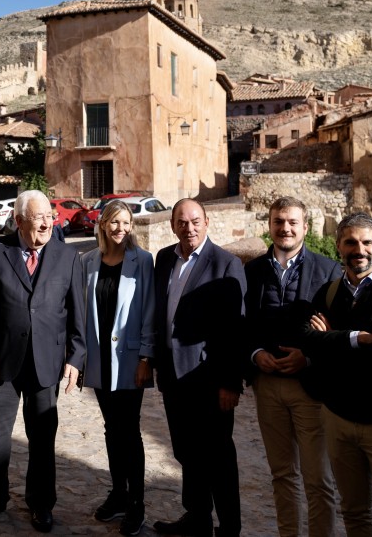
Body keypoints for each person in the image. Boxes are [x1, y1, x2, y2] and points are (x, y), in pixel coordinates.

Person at [0, 190, 86, 533]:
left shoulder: (68, 256)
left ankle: (41, 503)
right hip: (0, 362)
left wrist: (76, 358)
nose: (48, 222)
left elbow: (78, 313)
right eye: (39, 218)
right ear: (18, 221)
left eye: (50, 216)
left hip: (47, 362)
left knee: (43, 438)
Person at [302, 213, 372, 537]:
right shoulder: (328, 293)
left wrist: (332, 340)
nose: (359, 249)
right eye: (351, 242)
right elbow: (308, 342)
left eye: (367, 242)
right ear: (339, 245)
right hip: (339, 421)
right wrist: (358, 338)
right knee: (354, 514)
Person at [243, 197, 341, 537]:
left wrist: (310, 356)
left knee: (318, 478)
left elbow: (338, 331)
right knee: (281, 473)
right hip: (267, 386)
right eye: (279, 221)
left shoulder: (329, 270)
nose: (285, 228)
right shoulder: (252, 271)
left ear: (305, 227)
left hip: (310, 386)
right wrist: (255, 354)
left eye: (292, 222)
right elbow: (244, 324)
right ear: (270, 225)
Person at [153, 198, 246, 537]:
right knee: (186, 452)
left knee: (218, 458)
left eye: (194, 221)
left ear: (207, 221)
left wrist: (230, 383)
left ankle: (229, 527)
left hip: (210, 381)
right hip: (174, 378)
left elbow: (235, 330)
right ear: (172, 225)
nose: (188, 228)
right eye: (181, 221)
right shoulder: (164, 259)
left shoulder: (226, 264)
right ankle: (197, 517)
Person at [81, 199, 156, 536]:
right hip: (99, 361)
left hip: (129, 361)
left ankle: (137, 503)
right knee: (111, 429)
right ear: (103, 224)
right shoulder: (87, 261)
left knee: (130, 431)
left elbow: (150, 311)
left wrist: (145, 358)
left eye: (126, 223)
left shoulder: (142, 261)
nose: (120, 229)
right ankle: (118, 493)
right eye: (114, 222)